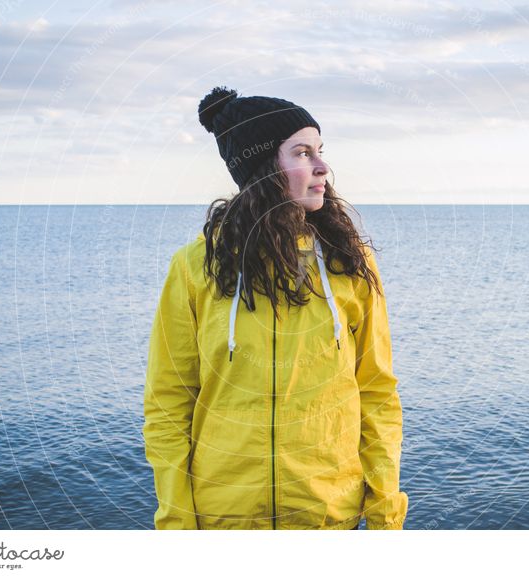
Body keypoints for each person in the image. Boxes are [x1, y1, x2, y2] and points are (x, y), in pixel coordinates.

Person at [143, 86, 408, 530]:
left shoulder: (349, 264)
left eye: (320, 151)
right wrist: (177, 524)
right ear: (262, 167)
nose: (323, 167)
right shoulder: (194, 267)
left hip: (327, 518)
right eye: (303, 152)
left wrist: (386, 516)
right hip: (224, 523)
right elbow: (168, 404)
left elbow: (377, 395)